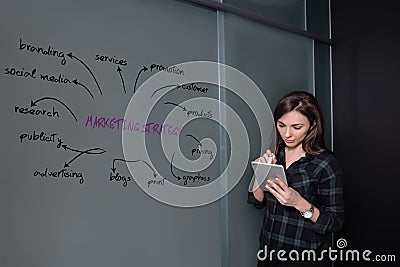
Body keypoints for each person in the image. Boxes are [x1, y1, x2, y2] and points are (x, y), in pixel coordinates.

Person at [248, 91, 344, 267]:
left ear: (313, 125)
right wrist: (260, 173)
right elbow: (256, 201)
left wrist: (299, 203)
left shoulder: (325, 164)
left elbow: (335, 223)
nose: (287, 134)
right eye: (281, 125)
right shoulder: (277, 154)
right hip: (269, 254)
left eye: (296, 127)